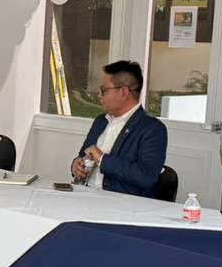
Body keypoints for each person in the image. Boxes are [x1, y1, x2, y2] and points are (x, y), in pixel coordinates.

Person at [71, 60, 168, 197]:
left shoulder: (152, 129)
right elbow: (83, 155)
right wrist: (76, 165)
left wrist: (102, 159)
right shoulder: (101, 121)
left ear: (123, 92)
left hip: (122, 204)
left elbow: (146, 176)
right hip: (84, 195)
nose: (99, 95)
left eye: (104, 90)